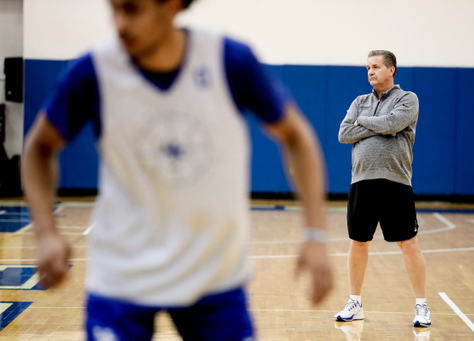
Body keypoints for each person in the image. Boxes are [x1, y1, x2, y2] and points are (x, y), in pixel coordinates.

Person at [22, 0, 333, 340]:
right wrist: (45, 232)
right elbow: (39, 147)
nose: (120, 23)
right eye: (113, 9)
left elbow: (296, 136)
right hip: (122, 276)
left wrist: (316, 233)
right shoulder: (94, 69)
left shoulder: (229, 60)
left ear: (171, 7)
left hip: (213, 275)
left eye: (132, 9)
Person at [335, 50, 430, 327]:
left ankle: (421, 305)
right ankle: (355, 301)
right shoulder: (359, 101)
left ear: (392, 70)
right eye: (367, 68)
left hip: (395, 182)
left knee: (408, 244)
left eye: (376, 67)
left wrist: (361, 121)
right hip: (361, 181)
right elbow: (343, 134)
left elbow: (393, 124)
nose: (370, 72)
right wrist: (378, 125)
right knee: (358, 242)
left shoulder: (407, 99)